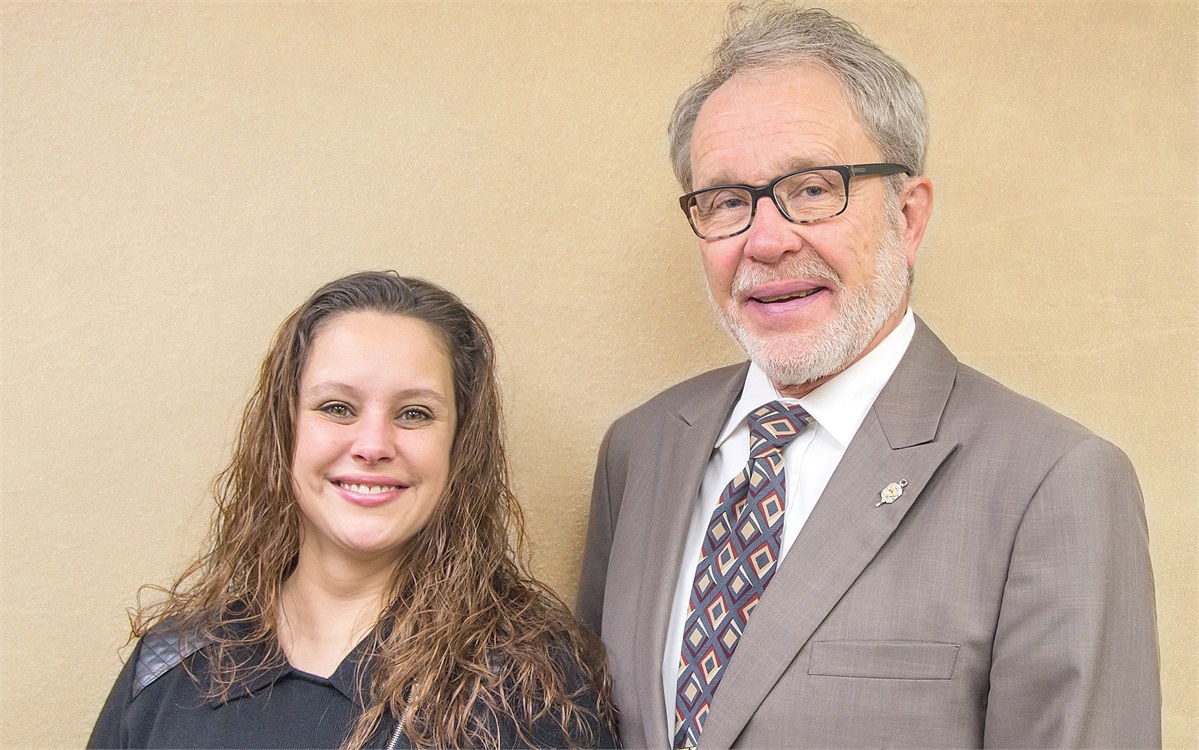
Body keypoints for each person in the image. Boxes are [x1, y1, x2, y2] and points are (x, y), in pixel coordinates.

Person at [576, 4, 1160, 749]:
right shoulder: (641, 449)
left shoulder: (1053, 481)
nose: (766, 240)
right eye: (726, 202)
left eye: (814, 189)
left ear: (908, 217)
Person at [90, 271, 619, 749]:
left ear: (461, 446)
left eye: (415, 413)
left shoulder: (529, 691)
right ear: (284, 430)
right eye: (337, 407)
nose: (372, 445)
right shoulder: (169, 662)